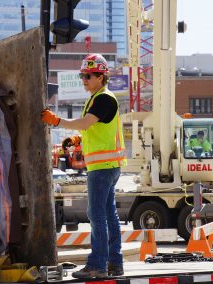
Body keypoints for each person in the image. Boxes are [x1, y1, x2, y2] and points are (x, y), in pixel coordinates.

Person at [41, 54, 126, 279]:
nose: (84, 79)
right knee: (108, 214)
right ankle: (114, 264)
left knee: (96, 214)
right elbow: (95, 129)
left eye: (88, 76)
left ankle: (98, 265)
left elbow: (86, 123)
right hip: (107, 166)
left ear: (101, 76)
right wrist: (78, 140)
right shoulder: (97, 98)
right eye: (82, 75)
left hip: (102, 167)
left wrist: (56, 121)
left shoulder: (104, 99)